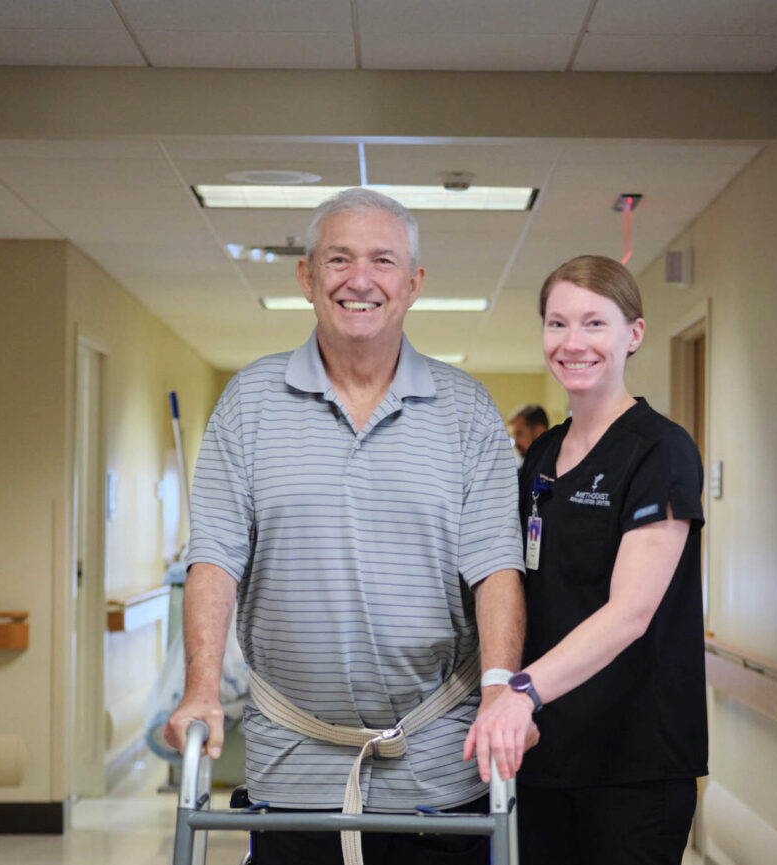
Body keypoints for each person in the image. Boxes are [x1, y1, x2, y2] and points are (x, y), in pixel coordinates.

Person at [164, 188, 530, 865]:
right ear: (307, 277)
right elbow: (214, 557)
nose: (360, 279)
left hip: (438, 763)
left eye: (383, 260)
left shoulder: (466, 411)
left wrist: (502, 692)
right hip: (292, 764)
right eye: (339, 259)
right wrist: (201, 692)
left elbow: (496, 568)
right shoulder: (250, 402)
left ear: (413, 283)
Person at [470, 255, 707, 864]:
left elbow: (630, 613)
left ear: (634, 334)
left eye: (594, 323)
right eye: (557, 323)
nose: (572, 342)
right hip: (543, 750)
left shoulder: (660, 450)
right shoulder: (542, 453)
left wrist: (522, 692)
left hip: (631, 764)